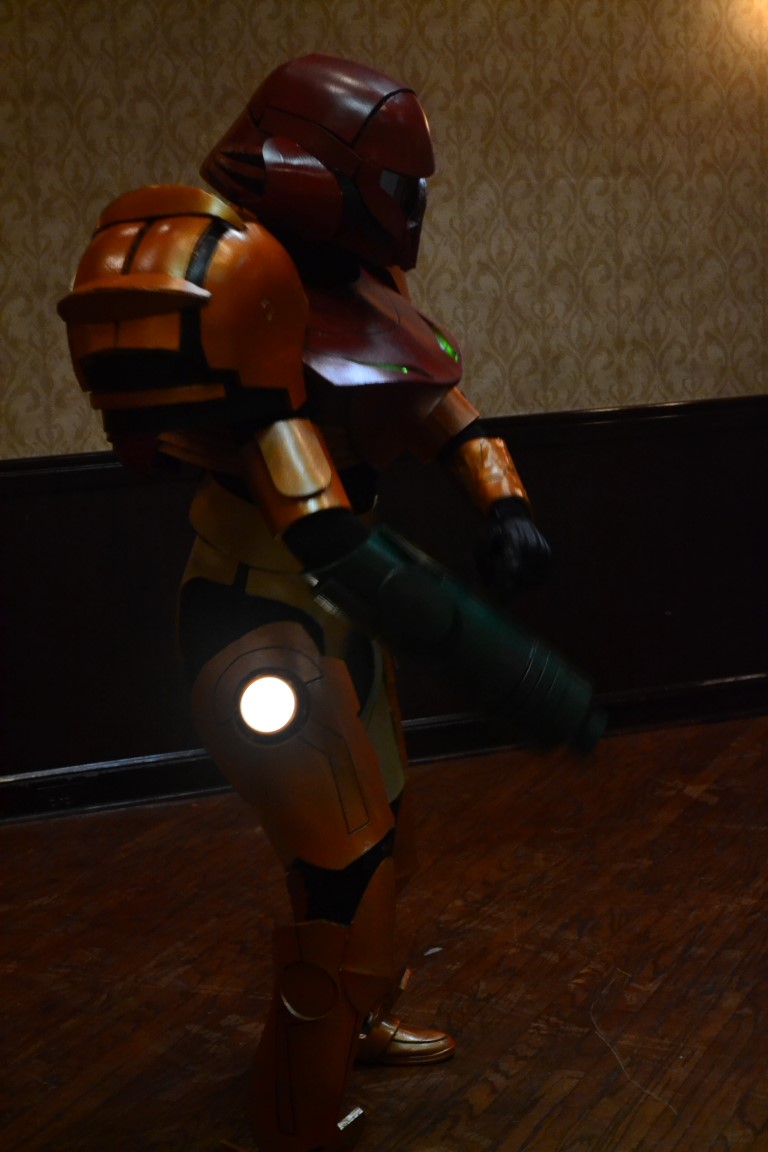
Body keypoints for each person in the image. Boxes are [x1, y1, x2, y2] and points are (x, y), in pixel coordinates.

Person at [58, 54, 601, 1152]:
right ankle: (294, 1119)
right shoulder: (238, 285)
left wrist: (504, 503)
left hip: (342, 613)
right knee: (345, 873)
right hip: (259, 614)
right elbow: (316, 518)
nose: (408, 208)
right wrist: (499, 660)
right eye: (393, 185)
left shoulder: (361, 279)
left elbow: (441, 404)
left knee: (388, 844)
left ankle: (364, 1024)